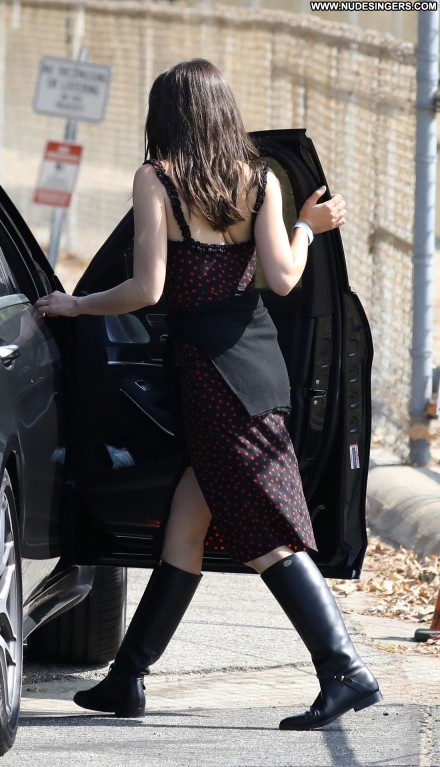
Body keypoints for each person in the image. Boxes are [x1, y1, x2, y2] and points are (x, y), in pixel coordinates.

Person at [35, 58, 382, 731]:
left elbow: (147, 289)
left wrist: (76, 305)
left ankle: (344, 669)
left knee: (265, 535)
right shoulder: (258, 178)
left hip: (210, 379)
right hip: (259, 368)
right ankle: (128, 677)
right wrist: (308, 227)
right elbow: (284, 278)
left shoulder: (157, 179)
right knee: (187, 525)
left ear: (167, 115)